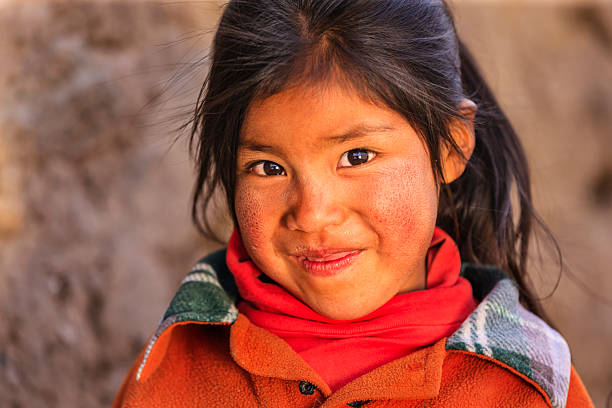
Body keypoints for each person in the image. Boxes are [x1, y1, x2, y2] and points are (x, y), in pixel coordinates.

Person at [112, 0, 594, 406]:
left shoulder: (529, 385)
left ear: (449, 147)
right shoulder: (170, 374)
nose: (312, 213)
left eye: (356, 156)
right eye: (268, 167)